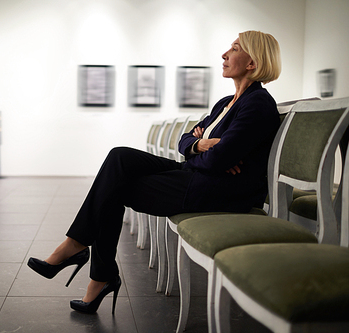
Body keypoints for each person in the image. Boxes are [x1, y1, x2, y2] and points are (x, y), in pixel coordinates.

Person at [28, 30, 282, 314]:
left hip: (218, 190)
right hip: (198, 174)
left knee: (112, 188)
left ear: (252, 62)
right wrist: (201, 146)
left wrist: (208, 153)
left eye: (235, 48)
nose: (225, 54)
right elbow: (184, 141)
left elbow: (217, 160)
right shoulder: (225, 103)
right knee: (119, 157)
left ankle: (85, 261)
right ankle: (88, 263)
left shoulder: (258, 103)